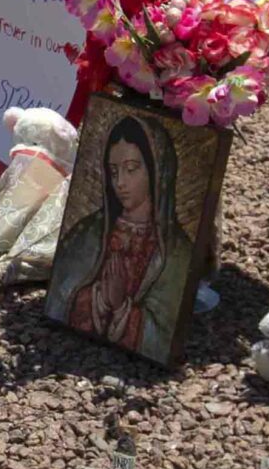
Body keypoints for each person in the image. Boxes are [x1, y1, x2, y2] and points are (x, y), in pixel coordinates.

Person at [44, 115, 194, 362]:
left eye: (132, 169)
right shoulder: (87, 233)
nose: (120, 183)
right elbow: (58, 299)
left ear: (157, 172)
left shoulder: (178, 253)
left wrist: (124, 307)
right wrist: (99, 299)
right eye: (113, 172)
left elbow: (164, 334)